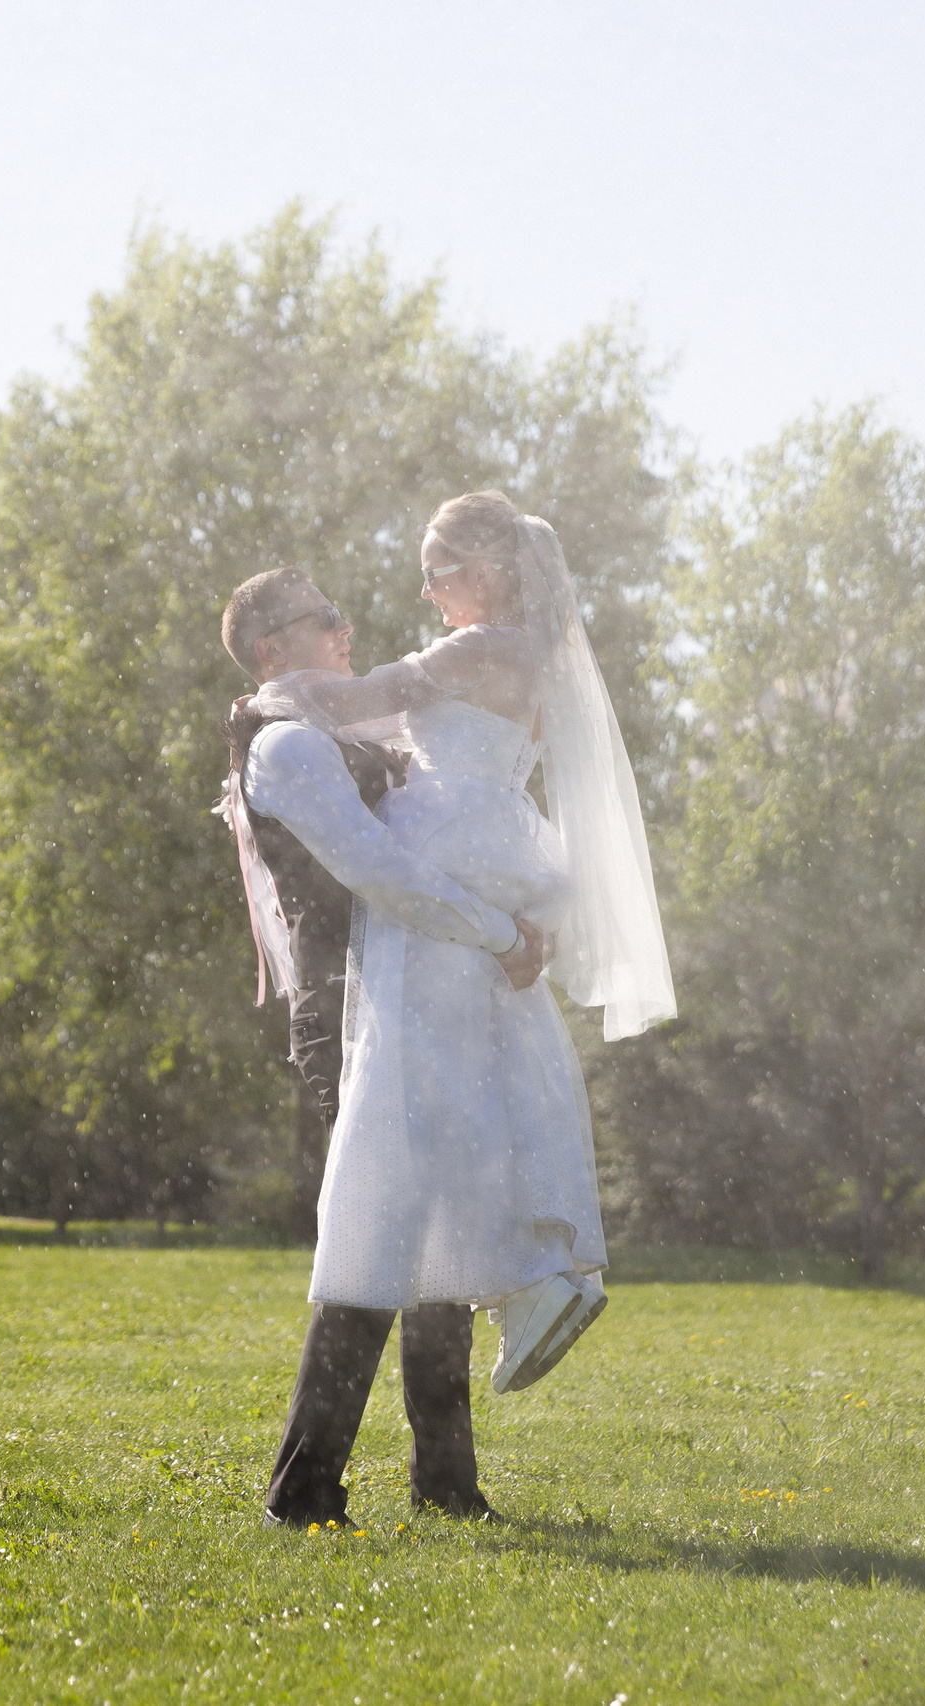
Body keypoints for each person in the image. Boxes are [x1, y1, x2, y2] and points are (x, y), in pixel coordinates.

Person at [251, 490, 676, 1400]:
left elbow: (365, 701)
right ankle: (536, 1279)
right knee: (495, 1089)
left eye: (436, 579)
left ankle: (529, 1287)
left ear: (482, 576)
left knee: (426, 1111)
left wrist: (270, 697)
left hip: (448, 851)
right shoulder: (536, 657)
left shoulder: (476, 648)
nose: (430, 598)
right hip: (506, 847)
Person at [218, 564, 551, 1529]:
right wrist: (497, 933)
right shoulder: (284, 748)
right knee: (381, 1225)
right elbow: (382, 872)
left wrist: (528, 908)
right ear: (275, 647)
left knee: (437, 1233)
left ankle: (444, 1484)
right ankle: (303, 1487)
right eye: (325, 619)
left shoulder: (350, 735)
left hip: (411, 999)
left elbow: (454, 827)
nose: (346, 626)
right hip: (349, 1013)